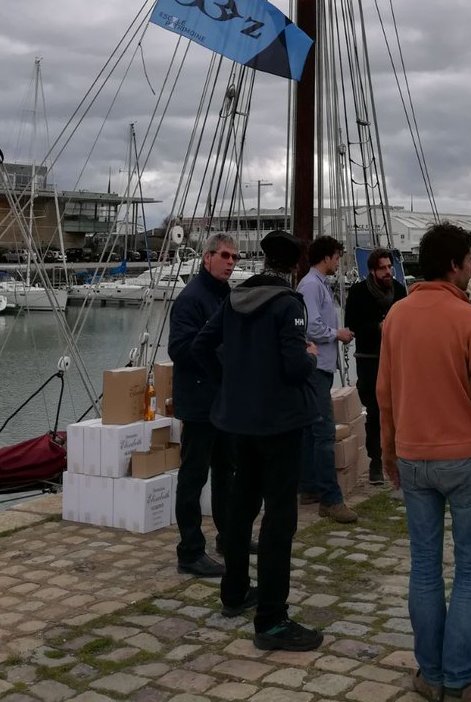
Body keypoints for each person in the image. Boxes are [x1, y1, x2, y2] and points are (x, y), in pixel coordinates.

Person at [377, 222, 471, 702]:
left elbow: (384, 393)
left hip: (412, 454)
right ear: (455, 264)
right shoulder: (469, 318)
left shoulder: (396, 316)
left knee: (425, 567)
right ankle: (461, 679)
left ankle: (430, 675)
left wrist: (388, 451)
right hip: (463, 455)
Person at [192, 229, 322, 652]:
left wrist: (230, 383)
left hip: (239, 420)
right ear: (295, 265)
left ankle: (234, 592)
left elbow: (202, 345)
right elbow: (292, 364)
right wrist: (309, 357)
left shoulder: (234, 299)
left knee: (241, 507)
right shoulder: (289, 304)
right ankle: (271, 619)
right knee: (279, 519)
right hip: (279, 424)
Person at [168, 232, 239, 577]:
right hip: (199, 402)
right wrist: (222, 357)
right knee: (193, 476)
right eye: (224, 255)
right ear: (207, 257)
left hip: (223, 401)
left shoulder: (226, 296)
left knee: (227, 472)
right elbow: (180, 349)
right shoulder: (190, 299)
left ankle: (228, 536)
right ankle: (190, 550)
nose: (230, 262)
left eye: (234, 258)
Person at [298, 234, 357, 522]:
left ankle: (309, 486)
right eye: (336, 257)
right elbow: (310, 327)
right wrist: (338, 334)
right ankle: (330, 499)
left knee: (311, 430)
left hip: (321, 365)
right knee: (323, 432)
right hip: (315, 366)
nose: (337, 262)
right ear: (326, 257)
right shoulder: (311, 285)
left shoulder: (318, 285)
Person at [345, 247, 406, 484]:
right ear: (372, 270)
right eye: (383, 268)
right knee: (375, 411)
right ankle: (376, 461)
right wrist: (377, 327)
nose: (388, 272)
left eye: (390, 267)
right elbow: (351, 324)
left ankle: (399, 456)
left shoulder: (400, 291)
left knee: (399, 409)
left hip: (395, 359)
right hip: (369, 358)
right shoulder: (359, 292)